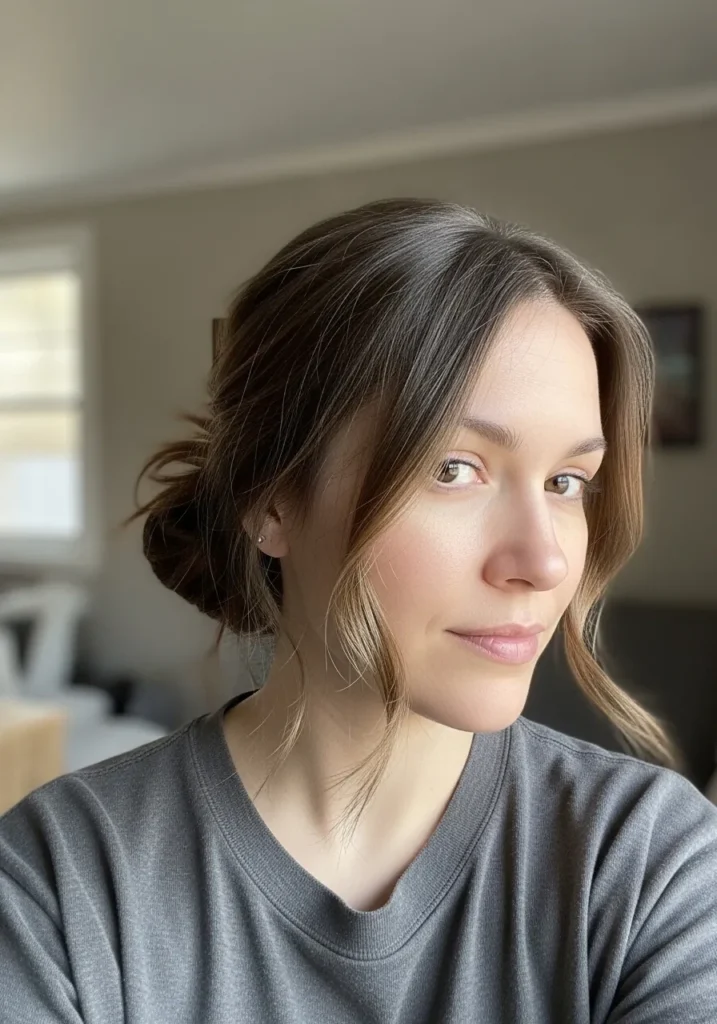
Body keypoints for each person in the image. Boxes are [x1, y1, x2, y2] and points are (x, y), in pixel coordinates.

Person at [1, 198, 715, 1023]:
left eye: (565, 483)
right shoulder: (59, 879)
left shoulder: (647, 863)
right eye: (454, 468)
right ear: (272, 499)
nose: (545, 561)